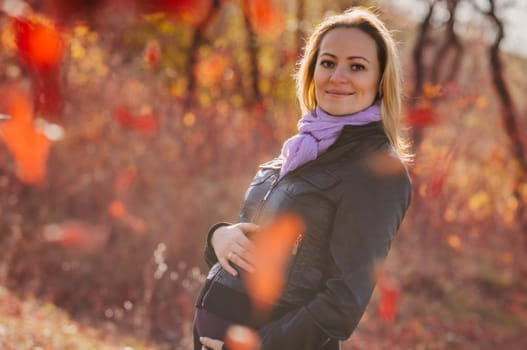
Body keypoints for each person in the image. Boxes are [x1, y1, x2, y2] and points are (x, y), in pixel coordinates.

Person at [194, 7, 412, 350]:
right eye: (328, 63)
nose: (338, 76)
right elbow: (264, 246)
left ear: (379, 80)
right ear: (311, 71)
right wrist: (219, 237)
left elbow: (342, 302)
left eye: (357, 66)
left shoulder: (376, 170)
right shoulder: (302, 149)